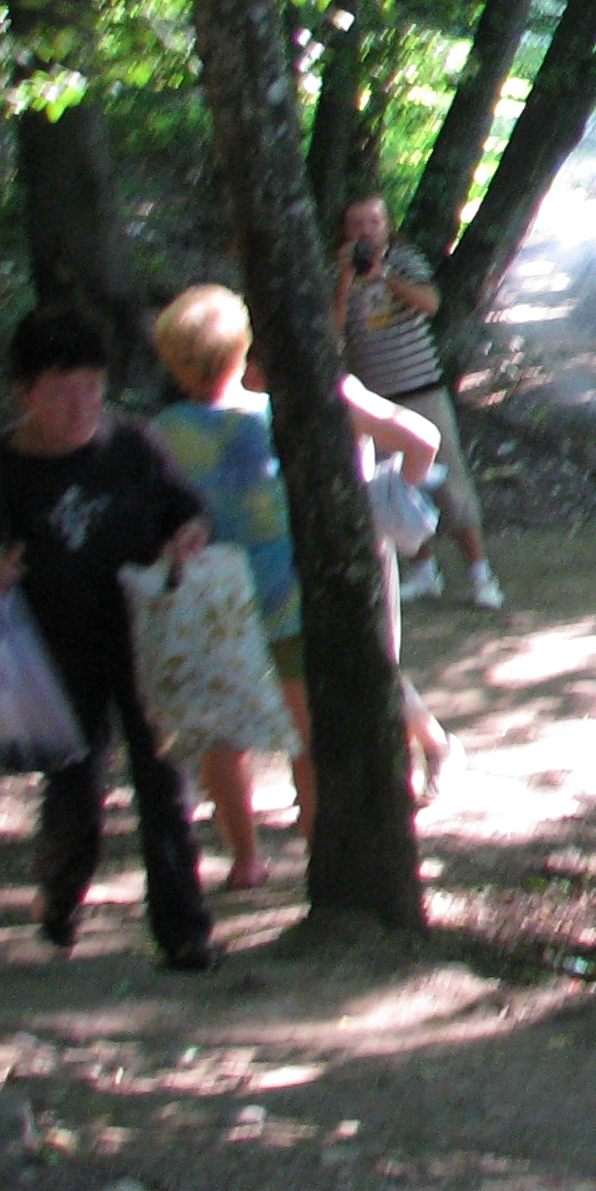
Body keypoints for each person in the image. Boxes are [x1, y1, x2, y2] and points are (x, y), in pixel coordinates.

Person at [0, 304, 215, 969]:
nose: (80, 404)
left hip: (143, 641)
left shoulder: (133, 446)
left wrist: (188, 536)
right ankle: (59, 903)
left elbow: (186, 510)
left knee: (164, 784)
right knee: (74, 787)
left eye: (91, 387)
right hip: (51, 655)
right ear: (23, 393)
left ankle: (184, 931)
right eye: (61, 391)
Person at [146, 286, 455, 883]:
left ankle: (246, 860)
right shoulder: (279, 414)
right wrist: (383, 501)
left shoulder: (162, 433)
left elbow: (152, 518)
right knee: (305, 739)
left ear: (173, 361)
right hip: (288, 598)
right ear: (242, 349)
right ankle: (320, 858)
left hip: (215, 606)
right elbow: (416, 440)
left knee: (222, 739)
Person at [334, 192, 505, 609]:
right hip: (375, 401)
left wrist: (384, 276)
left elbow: (431, 304)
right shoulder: (337, 272)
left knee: (449, 483)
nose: (365, 232)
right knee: (394, 489)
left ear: (387, 226)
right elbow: (331, 333)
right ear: (344, 231)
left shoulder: (405, 262)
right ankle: (424, 570)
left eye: (373, 223)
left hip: (421, 390)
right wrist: (344, 279)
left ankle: (481, 574)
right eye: (356, 225)